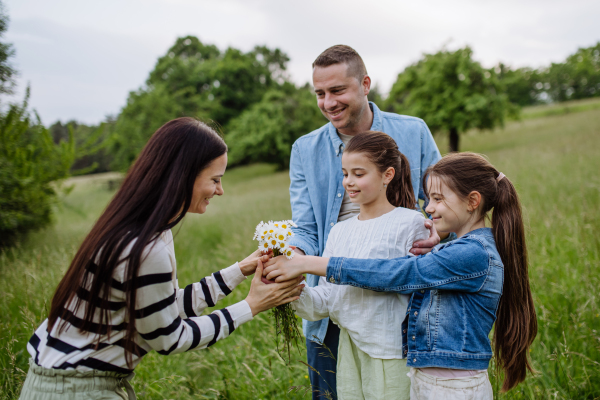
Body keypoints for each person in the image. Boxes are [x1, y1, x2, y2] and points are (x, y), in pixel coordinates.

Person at [20, 118, 304, 400]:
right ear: (184, 176)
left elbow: (161, 309)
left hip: (68, 379)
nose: (220, 190)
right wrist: (251, 305)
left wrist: (240, 270)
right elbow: (170, 337)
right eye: (215, 180)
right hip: (75, 388)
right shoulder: (146, 247)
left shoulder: (143, 227)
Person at [266, 152, 538, 399]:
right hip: (431, 379)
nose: (428, 208)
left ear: (473, 201)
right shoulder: (459, 250)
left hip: (453, 387)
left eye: (438, 199)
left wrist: (310, 263)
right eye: (428, 198)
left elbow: (399, 274)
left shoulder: (474, 253)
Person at [287, 44, 446, 398]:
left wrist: (439, 231)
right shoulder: (304, 149)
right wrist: (292, 256)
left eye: (337, 90)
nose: (328, 103)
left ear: (365, 84)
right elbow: (307, 226)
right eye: (320, 94)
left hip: (400, 303)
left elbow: (444, 201)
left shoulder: (414, 131)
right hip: (333, 300)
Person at [291, 131, 429, 399]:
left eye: (358, 174)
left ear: (387, 175)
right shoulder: (339, 232)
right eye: (345, 174)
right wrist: (292, 288)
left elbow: (411, 284)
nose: (348, 183)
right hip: (350, 349)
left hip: (391, 351)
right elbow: (326, 300)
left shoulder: (410, 222)